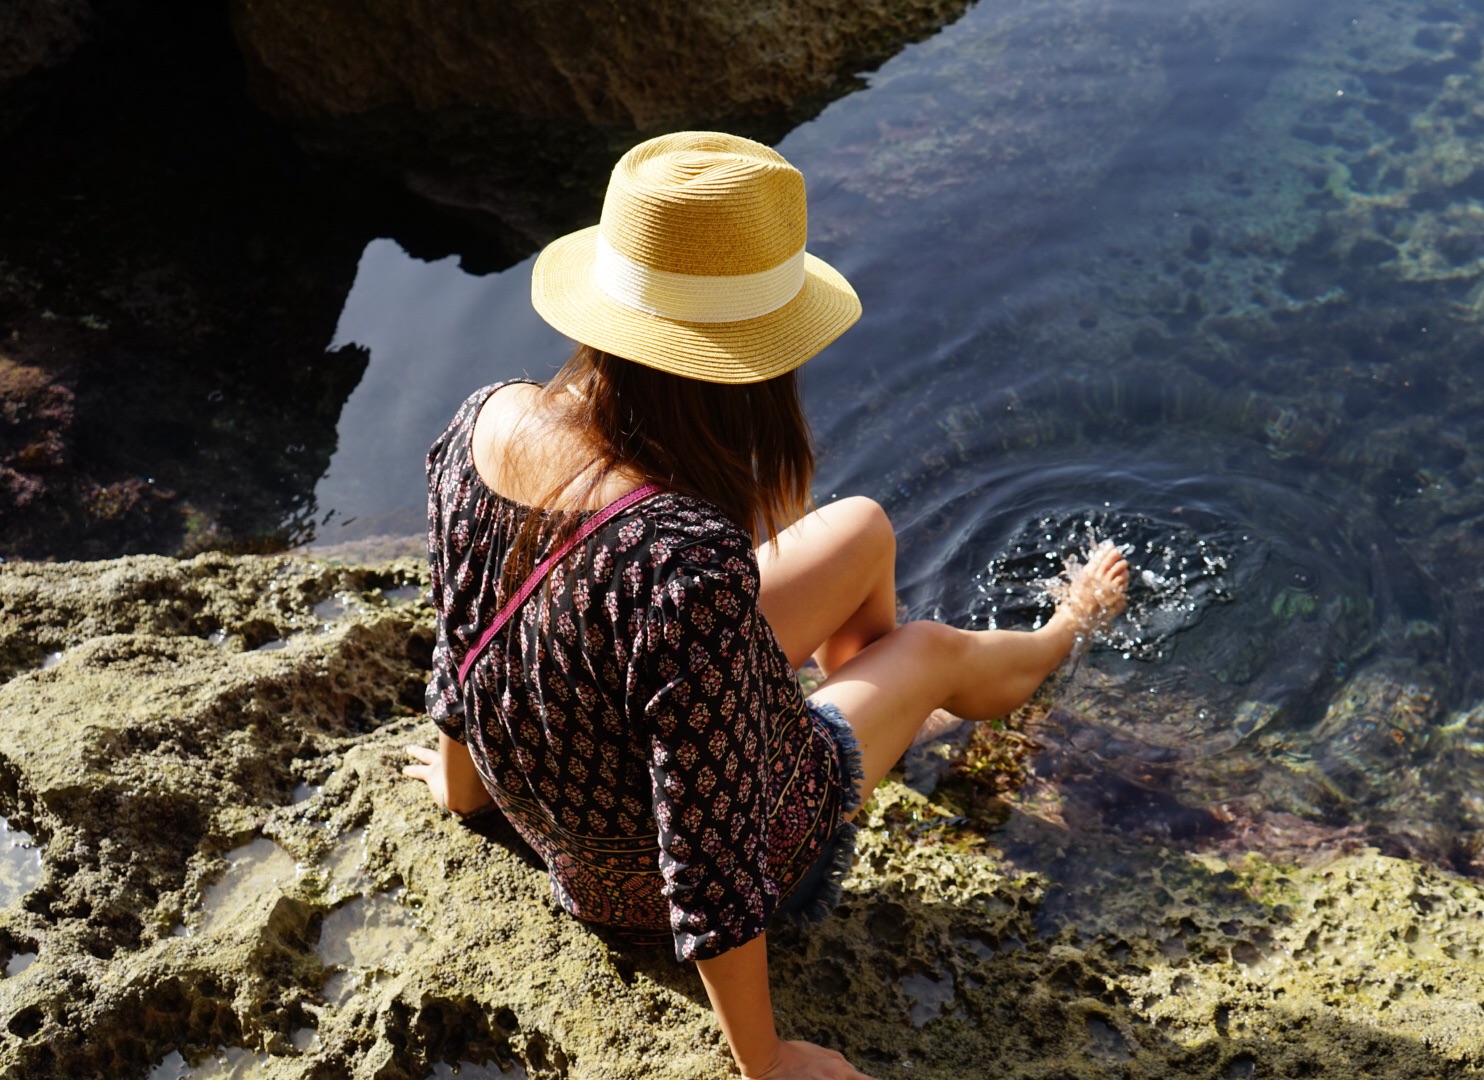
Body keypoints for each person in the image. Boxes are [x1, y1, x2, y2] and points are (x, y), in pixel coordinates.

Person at [402, 131, 1130, 1080]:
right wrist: (767, 1059)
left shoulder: (485, 417)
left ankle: (877, 709)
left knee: (863, 527)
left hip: (563, 801)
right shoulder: (683, 564)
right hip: (665, 886)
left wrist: (466, 793)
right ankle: (1061, 631)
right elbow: (708, 860)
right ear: (751, 361)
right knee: (932, 649)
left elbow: (467, 632)